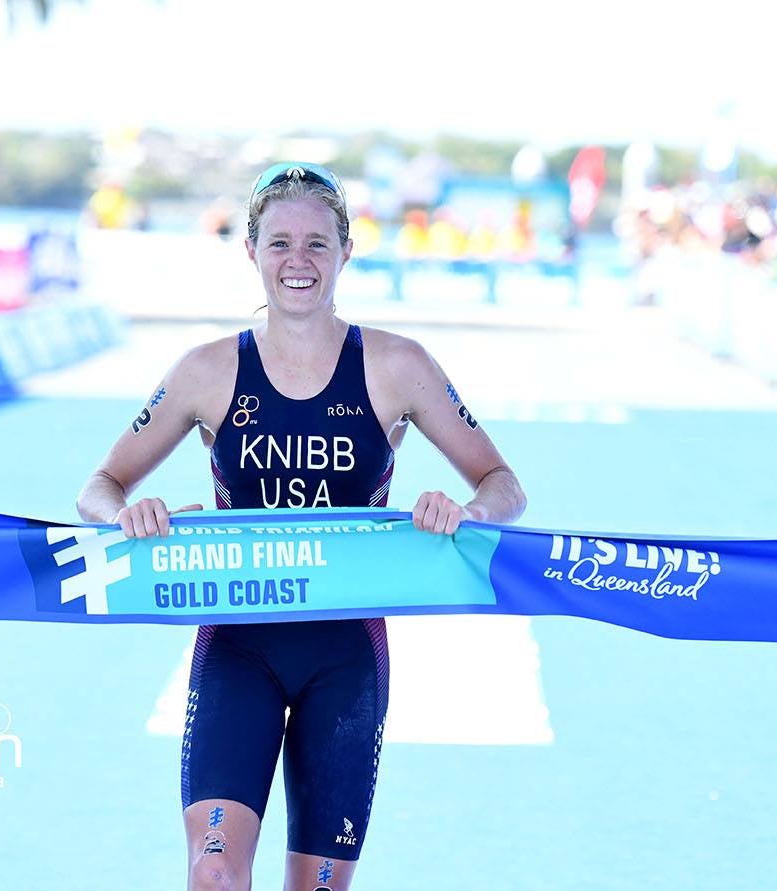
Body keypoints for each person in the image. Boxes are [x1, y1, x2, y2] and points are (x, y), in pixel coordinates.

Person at [76, 162, 526, 891]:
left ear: (347, 252)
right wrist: (128, 514)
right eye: (279, 243)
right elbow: (98, 487)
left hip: (345, 656)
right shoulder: (206, 370)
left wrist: (467, 512)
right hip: (238, 646)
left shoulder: (395, 365)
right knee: (215, 875)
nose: (298, 262)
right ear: (250, 251)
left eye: (318, 244)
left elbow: (505, 485)